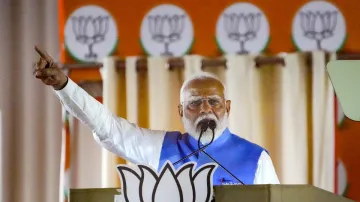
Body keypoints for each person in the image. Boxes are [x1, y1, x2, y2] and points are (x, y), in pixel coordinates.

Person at [33, 46, 280, 185]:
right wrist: (64, 85)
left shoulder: (256, 158)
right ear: (181, 111)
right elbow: (109, 128)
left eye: (213, 102)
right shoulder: (163, 148)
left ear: (227, 107)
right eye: (194, 103)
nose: (205, 109)